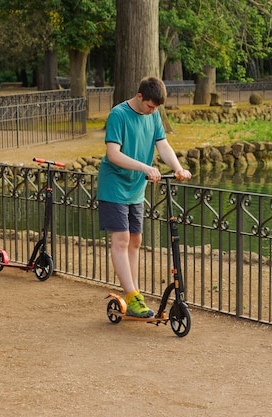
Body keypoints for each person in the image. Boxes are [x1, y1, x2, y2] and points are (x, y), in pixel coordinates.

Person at [97, 76, 191, 318]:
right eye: (150, 106)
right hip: (114, 185)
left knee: (136, 240)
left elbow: (163, 146)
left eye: (157, 108)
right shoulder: (119, 115)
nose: (153, 111)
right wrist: (144, 167)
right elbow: (113, 154)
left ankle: (135, 292)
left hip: (135, 188)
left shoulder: (154, 116)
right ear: (139, 97)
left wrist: (178, 168)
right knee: (121, 239)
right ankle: (131, 296)